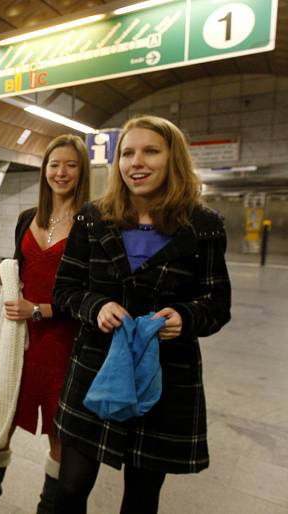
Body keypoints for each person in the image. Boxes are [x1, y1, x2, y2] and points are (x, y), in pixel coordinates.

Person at [52, 115, 232, 514]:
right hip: (95, 369)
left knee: (141, 497)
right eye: (128, 153)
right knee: (69, 489)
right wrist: (95, 306)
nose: (137, 162)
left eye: (151, 151)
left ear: (173, 158)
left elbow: (217, 303)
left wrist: (185, 317)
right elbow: (65, 290)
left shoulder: (203, 226)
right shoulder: (94, 217)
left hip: (165, 377)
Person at [0, 135, 90, 514]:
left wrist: (38, 309)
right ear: (44, 169)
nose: (61, 172)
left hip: (64, 344)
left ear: (82, 170)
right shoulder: (29, 218)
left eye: (70, 165)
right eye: (54, 164)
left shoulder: (92, 223)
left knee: (60, 437)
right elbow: (20, 266)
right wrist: (4, 273)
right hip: (19, 341)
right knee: (0, 422)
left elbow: (91, 293)